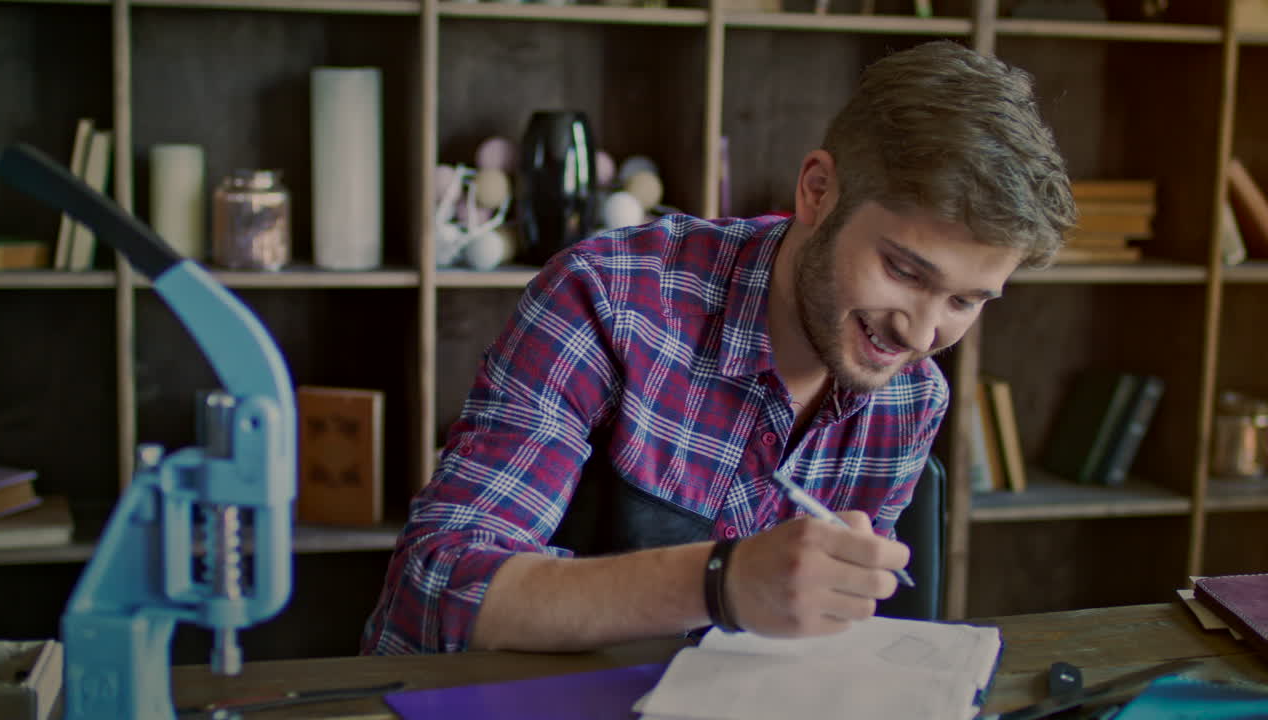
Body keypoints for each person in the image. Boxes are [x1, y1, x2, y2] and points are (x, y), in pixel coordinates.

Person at [361, 39, 1076, 655]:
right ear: (818, 191)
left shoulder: (913, 395)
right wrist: (722, 582)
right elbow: (436, 592)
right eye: (904, 271)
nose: (920, 336)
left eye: (964, 301)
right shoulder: (608, 297)